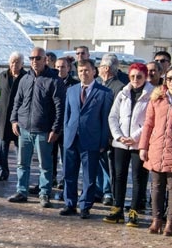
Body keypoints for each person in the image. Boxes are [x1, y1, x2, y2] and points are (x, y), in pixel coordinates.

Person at [8, 47, 64, 208]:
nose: (34, 61)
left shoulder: (54, 80)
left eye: (38, 58)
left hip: (44, 130)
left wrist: (55, 129)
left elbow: (60, 108)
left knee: (45, 165)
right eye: (32, 58)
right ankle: (21, 191)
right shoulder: (25, 79)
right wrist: (14, 120)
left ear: (45, 59)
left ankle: (45, 193)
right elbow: (17, 101)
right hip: (24, 129)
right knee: (22, 163)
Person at [60, 59, 113, 219]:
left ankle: (85, 206)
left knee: (89, 176)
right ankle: (70, 203)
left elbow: (105, 120)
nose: (83, 73)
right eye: (81, 71)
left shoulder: (104, 93)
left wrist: (103, 142)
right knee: (69, 174)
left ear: (94, 71)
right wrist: (66, 136)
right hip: (71, 139)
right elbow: (67, 116)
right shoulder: (71, 90)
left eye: (87, 70)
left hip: (91, 140)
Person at [104, 63, 152, 227]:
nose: (135, 80)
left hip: (139, 143)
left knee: (138, 177)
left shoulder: (151, 94)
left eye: (139, 76)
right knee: (119, 175)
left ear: (145, 77)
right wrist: (118, 136)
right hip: (121, 142)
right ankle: (117, 208)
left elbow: (149, 121)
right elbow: (113, 116)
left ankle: (134, 211)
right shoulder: (123, 93)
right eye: (132, 76)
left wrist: (135, 137)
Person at [139, 66, 172, 236]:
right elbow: (148, 124)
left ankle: (170, 223)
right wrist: (143, 147)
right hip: (158, 148)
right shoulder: (158, 98)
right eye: (170, 79)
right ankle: (156, 219)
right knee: (157, 186)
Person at [96, 54, 127, 206]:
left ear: (106, 68)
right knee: (97, 163)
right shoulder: (97, 82)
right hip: (95, 131)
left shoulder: (118, 86)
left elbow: (115, 114)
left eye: (100, 66)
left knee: (108, 164)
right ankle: (97, 189)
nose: (98, 69)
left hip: (109, 133)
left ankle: (108, 192)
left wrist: (110, 134)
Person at [0, 51, 24, 181]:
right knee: (3, 146)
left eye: (17, 62)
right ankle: (2, 171)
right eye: (12, 62)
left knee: (20, 148)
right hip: (4, 117)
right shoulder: (2, 76)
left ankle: (21, 174)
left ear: (22, 64)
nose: (14, 64)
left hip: (19, 118)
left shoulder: (26, 77)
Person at [51, 57, 79, 192]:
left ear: (69, 68)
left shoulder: (74, 85)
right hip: (52, 126)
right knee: (50, 155)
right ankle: (51, 178)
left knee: (65, 157)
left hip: (67, 127)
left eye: (62, 67)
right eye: (57, 67)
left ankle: (64, 180)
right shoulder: (51, 81)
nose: (59, 70)